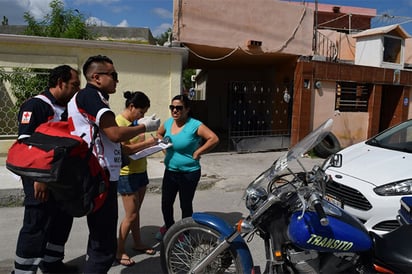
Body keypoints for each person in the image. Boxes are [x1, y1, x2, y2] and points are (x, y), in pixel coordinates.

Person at [66, 55, 160, 273]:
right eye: (113, 75)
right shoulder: (91, 96)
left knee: (99, 237)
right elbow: (115, 133)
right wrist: (143, 127)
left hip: (101, 173)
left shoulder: (92, 97)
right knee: (103, 244)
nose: (117, 80)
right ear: (96, 77)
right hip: (99, 175)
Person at [13, 65, 81, 274]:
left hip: (61, 177)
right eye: (74, 85)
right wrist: (39, 178)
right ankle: (23, 271)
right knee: (37, 222)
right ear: (60, 82)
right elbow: (27, 144)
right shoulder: (36, 106)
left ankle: (52, 263)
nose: (77, 90)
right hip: (40, 176)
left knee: (62, 218)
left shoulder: (67, 108)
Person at [156, 94, 219, 240]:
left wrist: (198, 151)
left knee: (185, 205)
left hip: (189, 173)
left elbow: (213, 138)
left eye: (179, 108)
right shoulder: (168, 123)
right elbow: (159, 134)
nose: (175, 110)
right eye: (172, 107)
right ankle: (170, 229)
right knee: (166, 203)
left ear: (187, 109)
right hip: (170, 171)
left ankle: (185, 234)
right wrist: (164, 149)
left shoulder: (194, 125)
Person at [115, 91, 157, 267]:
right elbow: (126, 149)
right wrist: (149, 143)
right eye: (141, 112)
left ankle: (137, 243)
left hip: (141, 170)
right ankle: (119, 251)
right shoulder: (119, 122)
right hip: (127, 174)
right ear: (131, 107)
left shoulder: (137, 122)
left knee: (135, 213)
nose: (143, 117)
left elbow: (137, 144)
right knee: (130, 215)